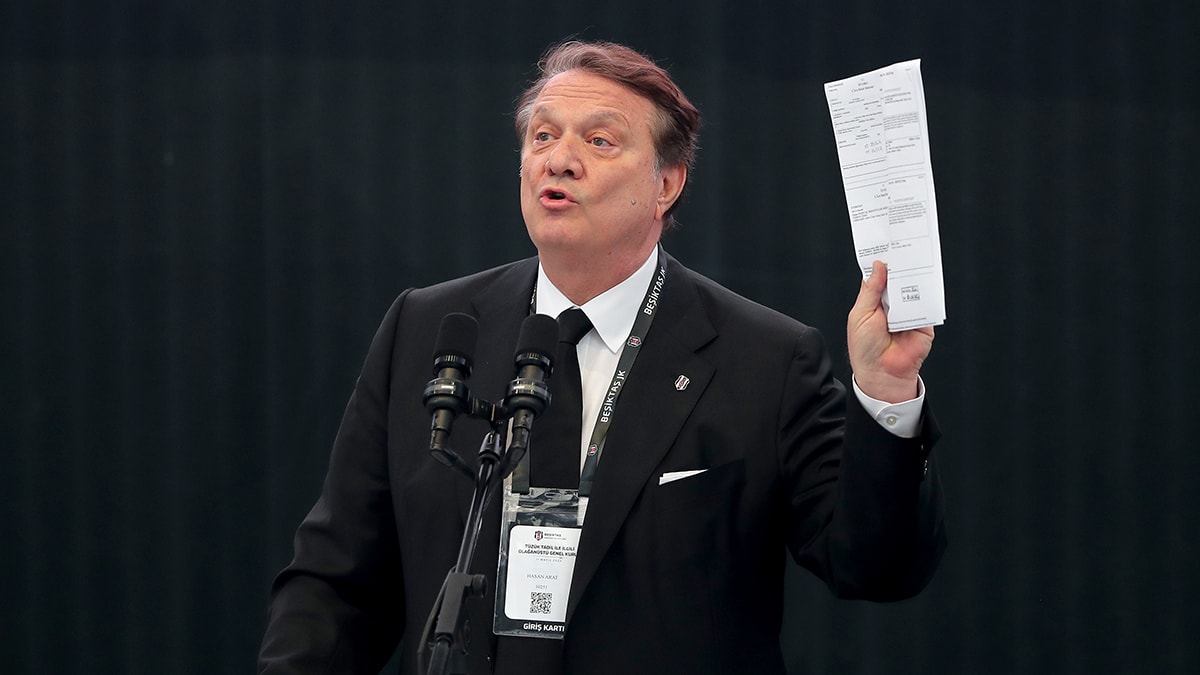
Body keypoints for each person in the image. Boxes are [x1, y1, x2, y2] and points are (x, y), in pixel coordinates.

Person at [259, 40, 945, 675]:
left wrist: (887, 391)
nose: (558, 159)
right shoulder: (429, 329)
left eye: (599, 140)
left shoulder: (765, 358)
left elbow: (877, 567)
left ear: (666, 184)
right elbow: (339, 581)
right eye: (542, 136)